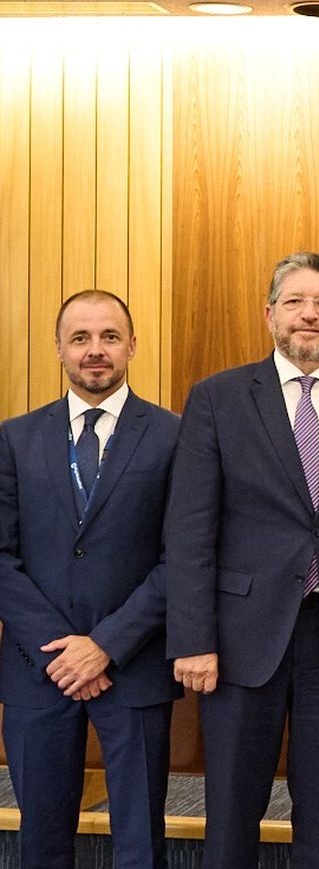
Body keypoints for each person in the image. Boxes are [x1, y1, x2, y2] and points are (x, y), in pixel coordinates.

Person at [165, 252, 319, 866]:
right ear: (270, 313)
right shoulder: (217, 398)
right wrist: (192, 638)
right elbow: (190, 530)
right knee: (233, 809)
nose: (310, 315)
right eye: (296, 301)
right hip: (240, 639)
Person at [0, 290, 180, 868]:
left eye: (108, 337)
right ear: (59, 349)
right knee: (42, 841)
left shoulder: (175, 436)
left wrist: (105, 646)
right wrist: (64, 651)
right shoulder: (14, 438)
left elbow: (183, 556)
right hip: (39, 668)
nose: (95, 351)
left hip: (134, 665)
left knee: (138, 844)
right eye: (80, 338)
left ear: (132, 345)